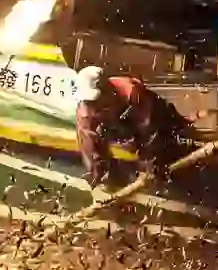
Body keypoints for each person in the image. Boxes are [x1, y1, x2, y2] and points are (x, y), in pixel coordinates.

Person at [73, 66, 187, 200]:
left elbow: (151, 135)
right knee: (104, 179)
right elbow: (91, 148)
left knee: (158, 166)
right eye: (87, 102)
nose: (91, 108)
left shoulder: (134, 95)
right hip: (119, 126)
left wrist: (149, 172)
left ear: (108, 92)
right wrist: (99, 181)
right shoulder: (84, 113)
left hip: (158, 125)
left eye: (95, 101)